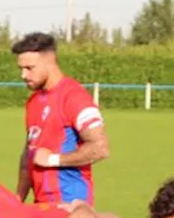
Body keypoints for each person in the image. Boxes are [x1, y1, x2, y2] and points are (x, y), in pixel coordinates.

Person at [12, 32, 108, 206]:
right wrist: (18, 199)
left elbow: (100, 148)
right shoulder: (33, 102)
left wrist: (53, 160)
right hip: (41, 204)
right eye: (21, 69)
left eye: (29, 68)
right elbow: (29, 155)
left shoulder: (74, 97)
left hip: (71, 204)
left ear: (49, 62)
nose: (23, 75)